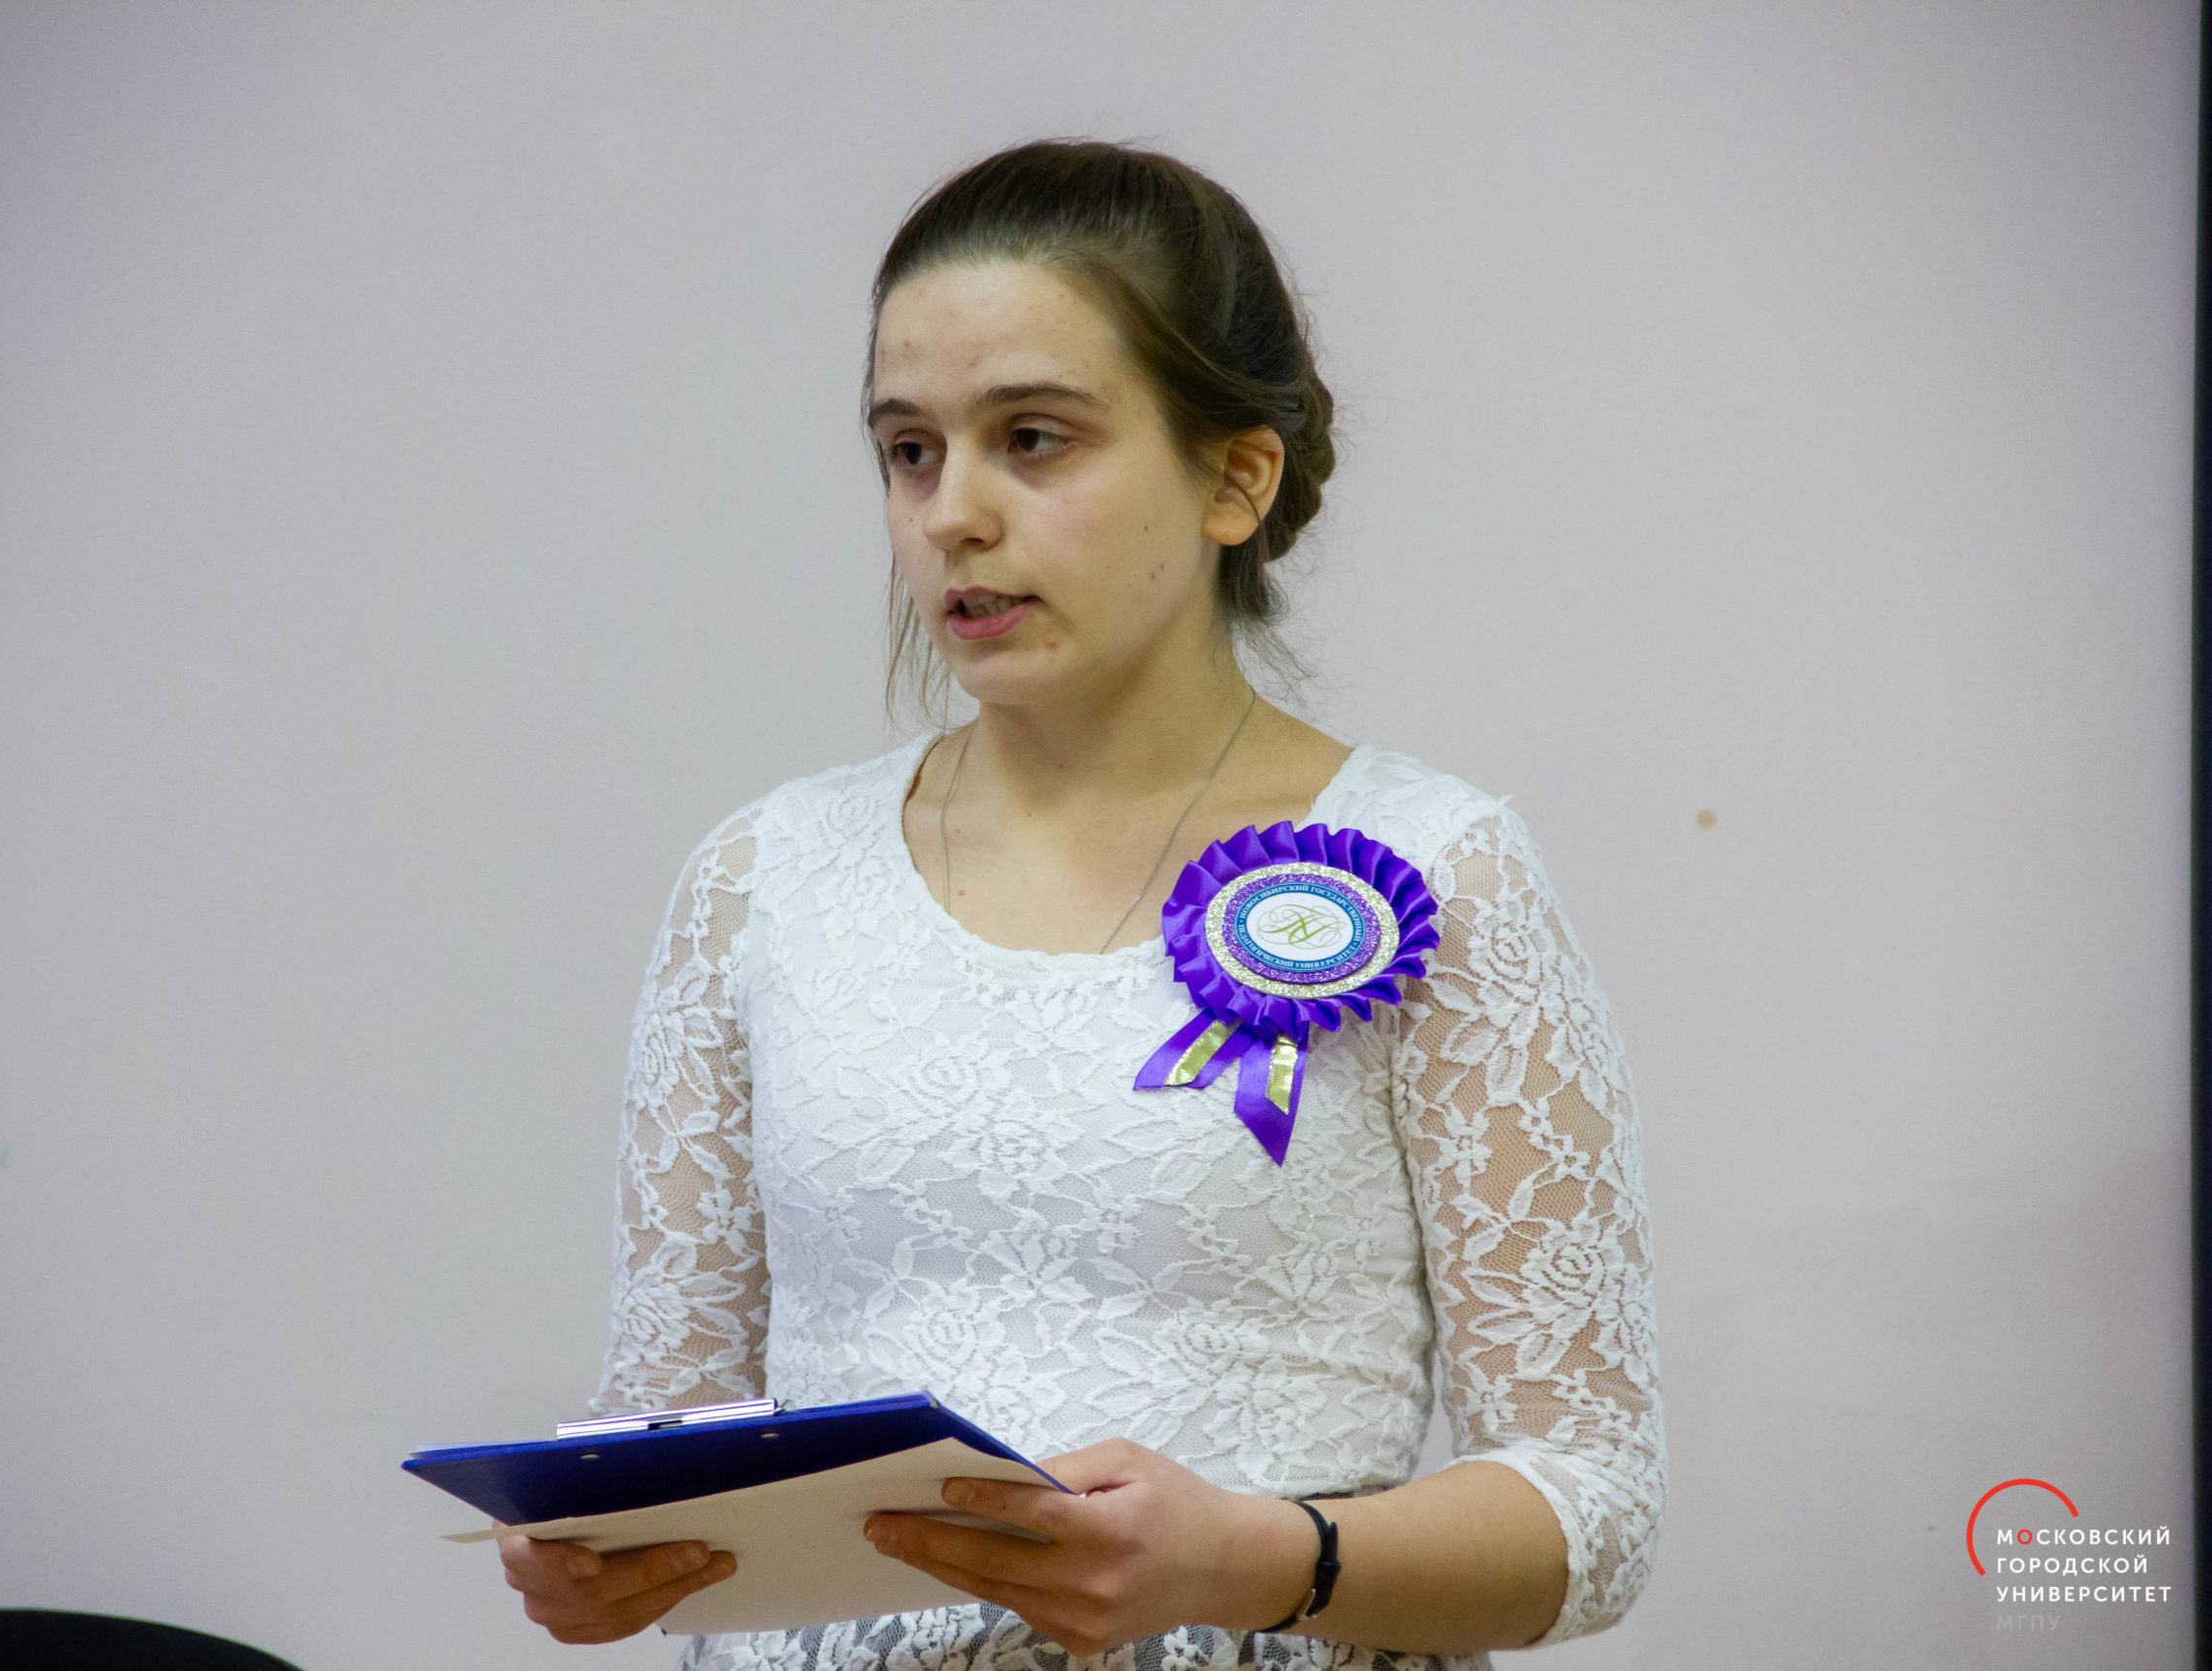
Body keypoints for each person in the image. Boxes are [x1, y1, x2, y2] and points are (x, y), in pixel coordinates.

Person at [499, 140, 1663, 1671]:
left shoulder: (1440, 869)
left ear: (1235, 477)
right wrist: (609, 1548)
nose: (951, 515)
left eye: (1032, 439)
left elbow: (1595, 1508)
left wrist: (1252, 1560)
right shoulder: (761, 880)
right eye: (909, 451)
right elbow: (678, 1425)